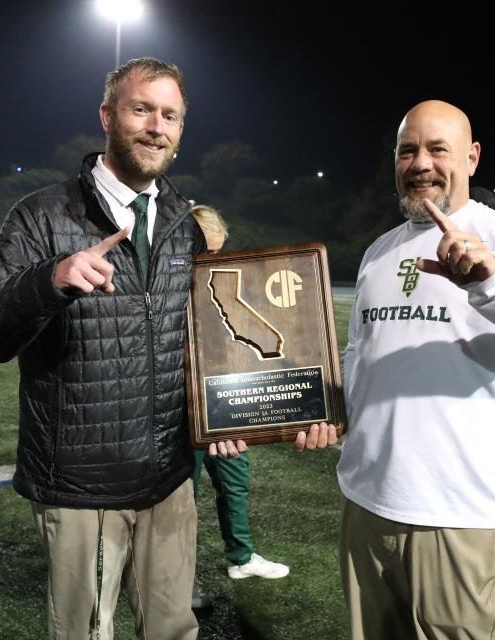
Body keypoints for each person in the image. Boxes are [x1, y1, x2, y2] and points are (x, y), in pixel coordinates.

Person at [0, 58, 244, 639]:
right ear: (106, 116)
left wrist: (221, 412)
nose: (157, 125)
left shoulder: (187, 224)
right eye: (141, 109)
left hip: (171, 478)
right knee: (86, 633)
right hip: (83, 484)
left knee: (173, 630)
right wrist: (48, 280)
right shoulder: (41, 216)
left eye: (171, 115)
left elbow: (205, 340)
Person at [296, 100, 495, 639]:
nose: (420, 163)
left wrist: (491, 281)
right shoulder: (379, 252)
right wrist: (330, 409)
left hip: (461, 513)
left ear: (472, 158)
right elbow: (361, 354)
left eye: (437, 149)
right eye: (408, 150)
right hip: (367, 502)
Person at [187, 205, 288, 610]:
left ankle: (241, 558)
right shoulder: (163, 283)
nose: (213, 263)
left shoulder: (224, 285)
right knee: (183, 496)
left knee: (234, 477)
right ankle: (179, 576)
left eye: (219, 253)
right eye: (205, 253)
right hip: (179, 407)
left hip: (223, 401)